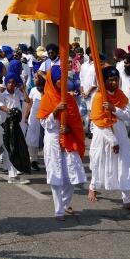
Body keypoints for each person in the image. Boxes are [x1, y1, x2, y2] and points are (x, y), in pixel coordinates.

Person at [87, 66, 130, 213]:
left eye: (116, 79)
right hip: (103, 135)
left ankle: (127, 200)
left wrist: (114, 109)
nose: (114, 82)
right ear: (104, 81)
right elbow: (99, 122)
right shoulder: (98, 97)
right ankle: (92, 187)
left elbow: (129, 118)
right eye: (110, 80)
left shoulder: (120, 96)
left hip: (120, 132)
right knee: (100, 161)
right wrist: (113, 141)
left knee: (124, 165)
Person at [38, 66, 87, 221]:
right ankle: (58, 210)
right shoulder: (47, 98)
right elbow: (44, 124)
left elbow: (77, 122)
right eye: (59, 79)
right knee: (56, 176)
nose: (61, 82)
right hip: (53, 140)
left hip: (69, 140)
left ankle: (66, 203)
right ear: (52, 81)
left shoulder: (69, 98)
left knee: (70, 176)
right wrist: (55, 112)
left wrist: (69, 130)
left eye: (64, 79)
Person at [23, 74, 44, 171]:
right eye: (34, 77)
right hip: (34, 118)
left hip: (45, 117)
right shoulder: (33, 90)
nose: (34, 79)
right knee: (33, 138)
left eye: (36, 78)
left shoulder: (47, 90)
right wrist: (26, 116)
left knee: (44, 138)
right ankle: (33, 160)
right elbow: (29, 103)